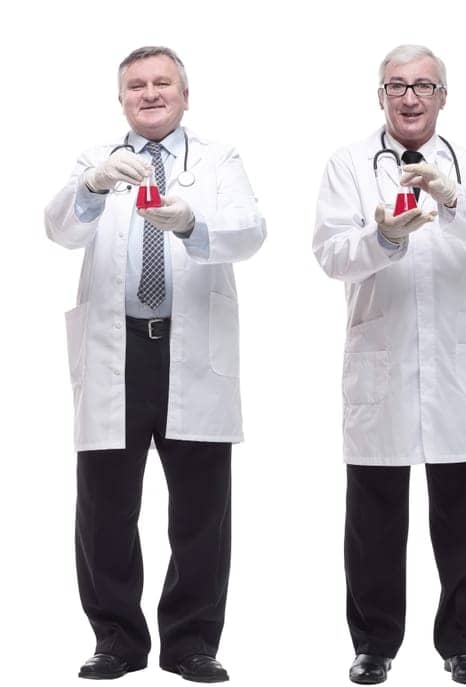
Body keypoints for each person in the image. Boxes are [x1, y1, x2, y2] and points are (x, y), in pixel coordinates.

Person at [44, 45, 266, 684]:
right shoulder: (96, 160)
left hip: (191, 348)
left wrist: (192, 219)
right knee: (106, 506)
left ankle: (191, 643)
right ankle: (116, 639)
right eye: (136, 85)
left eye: (162, 83)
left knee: (201, 509)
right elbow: (59, 228)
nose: (149, 94)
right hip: (118, 350)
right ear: (121, 99)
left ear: (185, 94)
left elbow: (250, 230)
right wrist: (90, 187)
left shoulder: (218, 160)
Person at [312, 44, 466, 686]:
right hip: (382, 362)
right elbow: (329, 254)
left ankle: (463, 644)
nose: (410, 97)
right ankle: (374, 644)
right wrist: (384, 238)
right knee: (374, 519)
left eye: (423, 86)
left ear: (442, 97)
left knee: (463, 518)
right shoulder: (349, 165)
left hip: (455, 372)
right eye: (397, 86)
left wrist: (452, 198)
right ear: (381, 96)